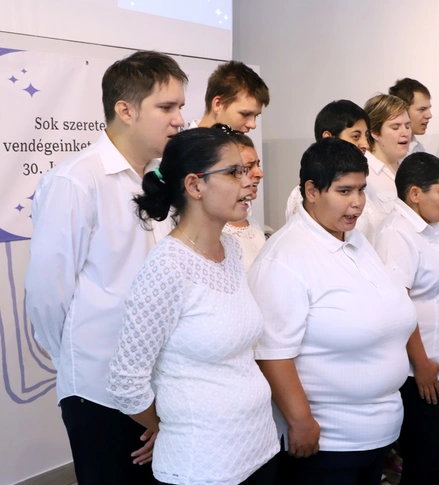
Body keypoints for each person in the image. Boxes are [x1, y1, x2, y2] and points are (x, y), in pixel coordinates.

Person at [24, 50, 186, 485]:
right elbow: (47, 295)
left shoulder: (157, 179)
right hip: (100, 391)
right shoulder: (76, 180)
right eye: (166, 107)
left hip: (157, 386)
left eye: (180, 106)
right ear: (126, 110)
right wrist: (76, 360)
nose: (179, 120)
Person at [106, 128, 279, 485]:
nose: (249, 181)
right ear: (195, 185)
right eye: (234, 172)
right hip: (203, 465)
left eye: (247, 170)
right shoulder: (167, 267)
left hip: (259, 449)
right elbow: (126, 383)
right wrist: (175, 426)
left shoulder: (231, 249)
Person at [249, 138, 417, 485]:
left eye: (361, 189)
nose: (357, 202)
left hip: (376, 435)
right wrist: (300, 421)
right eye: (344, 191)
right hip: (327, 442)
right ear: (312, 191)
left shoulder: (354, 239)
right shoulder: (285, 257)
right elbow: (271, 354)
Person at [373, 153, 439, 485]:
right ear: (414, 193)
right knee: (423, 463)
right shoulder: (397, 233)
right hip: (420, 370)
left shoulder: (436, 229)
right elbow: (398, 306)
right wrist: (422, 362)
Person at [284, 100, 371, 221]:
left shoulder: (365, 181)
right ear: (328, 137)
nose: (365, 144)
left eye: (366, 136)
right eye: (356, 136)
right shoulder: (301, 196)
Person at [210, 124, 267, 270]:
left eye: (258, 165)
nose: (260, 173)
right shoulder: (213, 231)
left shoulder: (252, 223)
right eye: (248, 167)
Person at [361, 94, 412, 242]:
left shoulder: (408, 168)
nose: (405, 133)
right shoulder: (364, 173)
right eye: (395, 127)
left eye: (407, 126)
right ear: (374, 132)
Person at [194, 61, 270, 132]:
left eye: (256, 116)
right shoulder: (187, 142)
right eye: (245, 114)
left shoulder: (238, 141)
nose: (253, 125)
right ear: (218, 104)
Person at [388, 78, 432, 154]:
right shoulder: (387, 151)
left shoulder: (418, 148)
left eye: (428, 108)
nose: (429, 115)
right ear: (402, 110)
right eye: (422, 109)